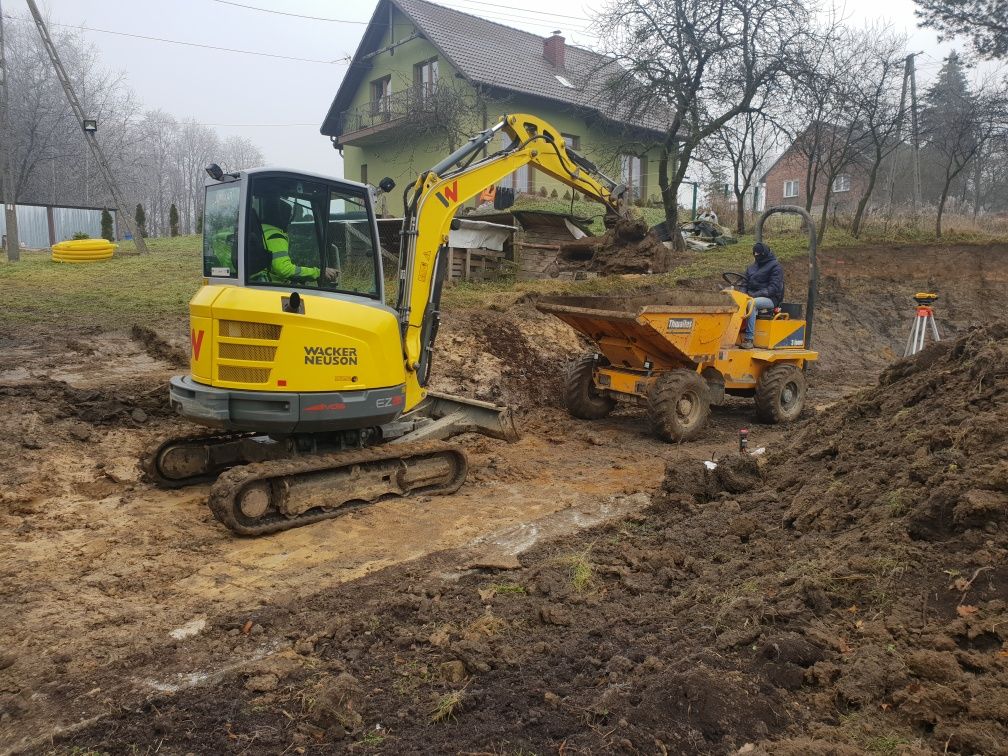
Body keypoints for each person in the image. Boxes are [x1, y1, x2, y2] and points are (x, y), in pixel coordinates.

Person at [259, 197, 337, 285]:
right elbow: (284, 269)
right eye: (288, 217)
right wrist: (318, 272)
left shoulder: (262, 229)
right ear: (281, 217)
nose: (289, 222)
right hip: (272, 288)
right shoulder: (275, 236)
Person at [740, 241, 784, 349]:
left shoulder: (775, 267)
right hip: (750, 295)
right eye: (754, 254)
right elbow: (744, 283)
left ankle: (749, 339)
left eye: (758, 254)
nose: (756, 257)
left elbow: (773, 288)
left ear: (763, 254)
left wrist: (753, 295)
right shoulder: (751, 267)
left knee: (751, 304)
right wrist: (742, 294)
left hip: (770, 299)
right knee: (734, 300)